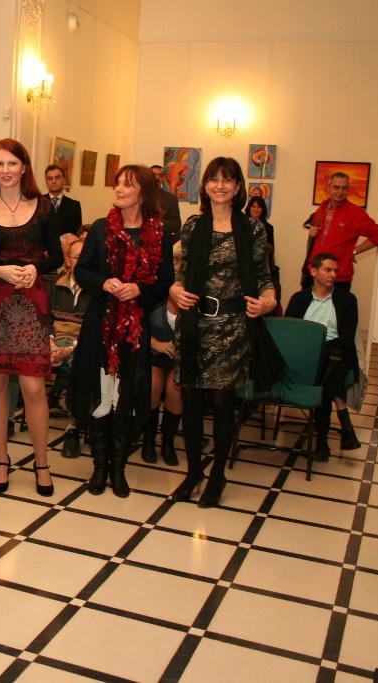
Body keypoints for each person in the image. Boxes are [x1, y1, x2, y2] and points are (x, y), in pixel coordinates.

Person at [170, 157, 280, 509]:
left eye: (227, 179)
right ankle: (193, 473)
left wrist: (269, 301)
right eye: (213, 179)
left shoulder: (253, 229)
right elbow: (181, 274)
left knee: (221, 403)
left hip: (232, 327)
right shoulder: (193, 226)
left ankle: (217, 474)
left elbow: (264, 278)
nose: (220, 185)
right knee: (189, 401)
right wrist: (174, 290)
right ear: (204, 185)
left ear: (237, 187)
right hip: (194, 324)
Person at [69, 165, 175, 497]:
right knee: (100, 394)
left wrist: (139, 289)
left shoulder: (159, 233)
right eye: (117, 183)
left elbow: (165, 282)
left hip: (136, 327)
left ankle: (118, 467)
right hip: (101, 324)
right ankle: (99, 466)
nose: (118, 189)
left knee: (126, 396)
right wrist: (105, 283)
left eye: (127, 184)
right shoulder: (101, 228)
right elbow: (82, 272)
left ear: (144, 192)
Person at [0, 138, 62, 497]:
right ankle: (1, 460)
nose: (5, 170)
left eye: (12, 163)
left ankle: (42, 463)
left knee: (33, 387)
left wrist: (35, 268)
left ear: (24, 167)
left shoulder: (43, 207)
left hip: (31, 301)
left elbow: (56, 256)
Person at [285, 253, 361, 459]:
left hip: (335, 353)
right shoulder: (299, 299)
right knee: (327, 373)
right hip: (302, 355)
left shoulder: (347, 300)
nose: (333, 275)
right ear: (313, 271)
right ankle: (341, 426)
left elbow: (347, 338)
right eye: (328, 270)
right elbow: (288, 333)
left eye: (335, 271)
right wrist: (310, 348)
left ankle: (322, 444)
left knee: (328, 367)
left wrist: (320, 347)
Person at [45, 238, 90, 458]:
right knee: (23, 359)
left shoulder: (96, 289)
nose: (82, 261)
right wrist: (50, 344)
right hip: (53, 343)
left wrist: (71, 348)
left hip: (82, 345)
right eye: (77, 257)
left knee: (84, 367)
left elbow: (95, 330)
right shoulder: (53, 286)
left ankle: (74, 428)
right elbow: (44, 320)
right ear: (68, 260)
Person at [303, 172, 378, 290]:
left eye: (344, 188)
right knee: (304, 302)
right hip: (314, 274)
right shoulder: (322, 208)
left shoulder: (356, 213)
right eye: (336, 187)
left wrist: (354, 252)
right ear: (328, 187)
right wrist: (311, 234)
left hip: (337, 278)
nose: (340, 191)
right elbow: (316, 239)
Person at [142, 241, 183, 466]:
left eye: (183, 262)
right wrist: (155, 343)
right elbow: (137, 323)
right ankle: (148, 441)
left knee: (175, 390)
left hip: (182, 356)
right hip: (153, 351)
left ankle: (168, 443)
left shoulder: (196, 295)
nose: (178, 267)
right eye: (175, 261)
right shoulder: (156, 289)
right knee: (153, 386)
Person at [244, 195, 282, 316]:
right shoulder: (242, 224)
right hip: (245, 266)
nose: (256, 209)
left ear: (263, 209)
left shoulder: (268, 227)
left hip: (262, 267)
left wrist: (259, 241)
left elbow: (272, 249)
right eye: (253, 206)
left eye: (259, 207)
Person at [44, 164, 83, 251]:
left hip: (65, 253)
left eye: (57, 178)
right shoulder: (38, 203)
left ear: (64, 180)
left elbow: (76, 234)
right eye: (50, 178)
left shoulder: (74, 205)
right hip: (42, 253)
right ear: (46, 181)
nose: (54, 181)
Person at [150, 164, 183, 240]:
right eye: (153, 175)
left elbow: (176, 225)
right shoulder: (139, 196)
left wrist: (157, 222)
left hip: (163, 242)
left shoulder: (171, 198)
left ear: (163, 178)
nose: (157, 177)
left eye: (160, 175)